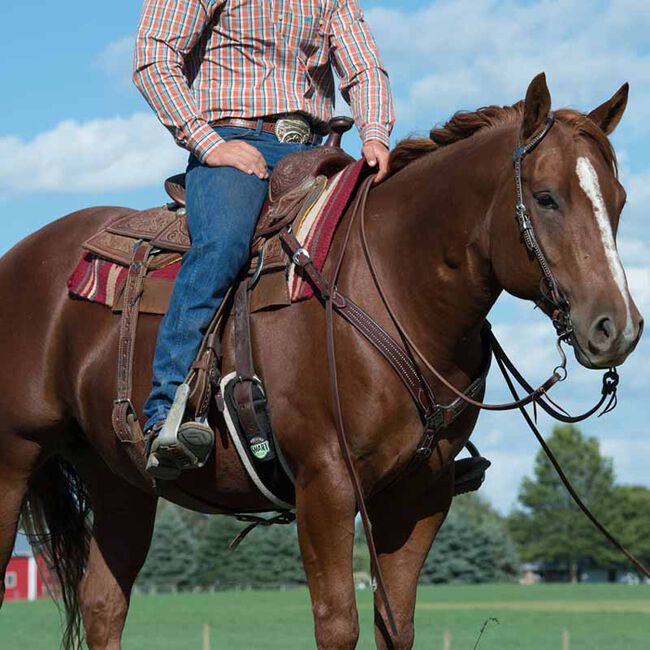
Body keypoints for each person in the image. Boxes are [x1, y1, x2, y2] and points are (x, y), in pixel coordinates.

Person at [133, 0, 395, 478]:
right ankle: (166, 413)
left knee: (381, 242)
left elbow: (362, 65)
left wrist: (375, 134)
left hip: (314, 151)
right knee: (223, 247)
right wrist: (209, 145)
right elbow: (154, 55)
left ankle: (424, 428)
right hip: (233, 140)